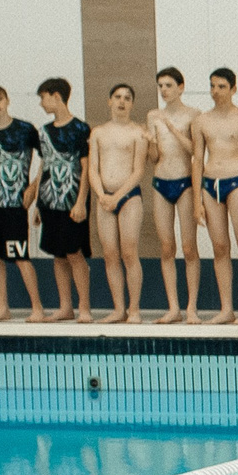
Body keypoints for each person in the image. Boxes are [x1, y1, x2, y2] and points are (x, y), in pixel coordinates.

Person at [191, 67, 238, 324]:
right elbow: (197, 160)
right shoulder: (201, 121)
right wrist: (196, 201)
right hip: (210, 184)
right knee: (220, 247)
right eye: (212, 86)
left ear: (234, 89)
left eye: (221, 87)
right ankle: (227, 309)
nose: (215, 92)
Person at [0, 84, 41, 321]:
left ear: (7, 100)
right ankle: (3, 307)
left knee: (21, 256)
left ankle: (37, 308)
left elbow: (47, 159)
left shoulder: (26, 129)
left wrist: (33, 188)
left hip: (15, 206)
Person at [89, 82, 150, 323]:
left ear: (132, 104)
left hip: (129, 196)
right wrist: (101, 194)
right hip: (103, 197)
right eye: (117, 97)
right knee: (110, 254)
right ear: (109, 101)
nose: (122, 101)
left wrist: (116, 196)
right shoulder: (98, 133)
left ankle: (134, 309)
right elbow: (93, 168)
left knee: (129, 252)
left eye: (127, 98)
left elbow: (139, 171)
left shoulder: (138, 132)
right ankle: (118, 309)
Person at [34, 79, 93, 322]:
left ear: (56, 96)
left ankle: (85, 308)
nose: (41, 103)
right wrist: (38, 201)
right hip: (49, 200)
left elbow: (86, 168)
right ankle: (65, 306)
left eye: (43, 97)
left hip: (72, 200)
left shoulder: (81, 128)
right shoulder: (44, 131)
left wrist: (81, 201)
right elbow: (43, 166)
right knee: (58, 254)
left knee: (74, 252)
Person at [146, 67, 197, 323]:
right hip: (161, 182)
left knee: (189, 247)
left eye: (168, 85)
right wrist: (152, 142)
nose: (164, 90)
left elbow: (194, 151)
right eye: (161, 86)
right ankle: (174, 307)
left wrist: (173, 129)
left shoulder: (192, 115)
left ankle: (191, 308)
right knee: (167, 248)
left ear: (181, 87)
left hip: (185, 182)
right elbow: (153, 158)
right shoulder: (153, 115)